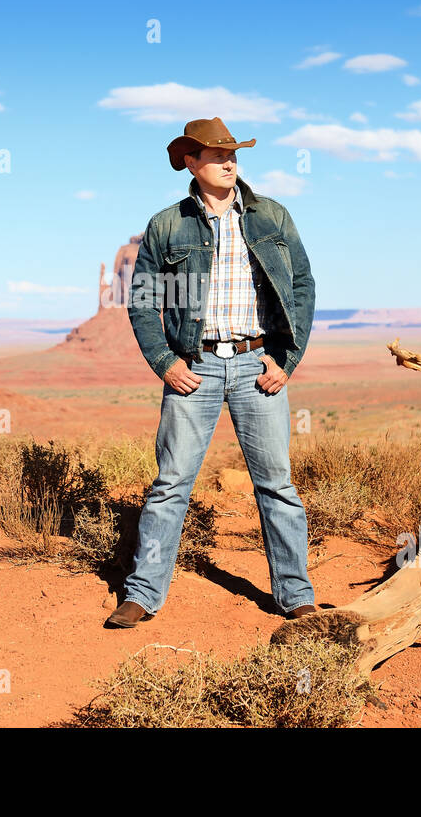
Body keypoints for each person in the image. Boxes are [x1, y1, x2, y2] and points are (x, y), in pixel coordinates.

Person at [107, 116, 317, 628]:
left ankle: (295, 596)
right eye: (216, 155)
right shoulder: (168, 224)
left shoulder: (272, 217)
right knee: (170, 484)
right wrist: (165, 362)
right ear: (190, 162)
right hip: (194, 367)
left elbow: (304, 286)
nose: (228, 162)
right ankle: (142, 594)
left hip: (257, 364)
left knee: (277, 485)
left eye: (233, 154)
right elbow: (142, 301)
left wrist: (286, 360)